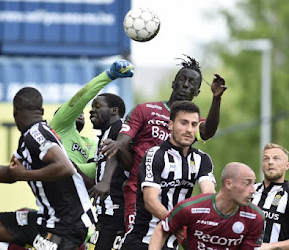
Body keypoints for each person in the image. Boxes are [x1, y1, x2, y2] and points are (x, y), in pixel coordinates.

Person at [100, 55, 227, 231]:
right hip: (138, 191)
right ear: (173, 83)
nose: (185, 84)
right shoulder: (144, 110)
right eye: (182, 79)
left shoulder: (192, 123)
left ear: (197, 91)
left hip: (173, 198)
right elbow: (120, 145)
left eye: (192, 82)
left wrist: (216, 98)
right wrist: (105, 180)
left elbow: (207, 131)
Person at [0, 87, 97, 249]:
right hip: (46, 220)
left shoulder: (36, 134)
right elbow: (10, 173)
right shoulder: (28, 137)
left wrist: (25, 174)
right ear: (42, 111)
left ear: (15, 112)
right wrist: (21, 174)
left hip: (67, 226)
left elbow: (64, 167)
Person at [120, 100, 217, 250]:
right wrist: (179, 226)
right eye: (183, 123)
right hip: (142, 241)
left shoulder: (202, 159)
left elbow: (209, 196)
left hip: (171, 244)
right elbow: (151, 201)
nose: (189, 129)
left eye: (193, 124)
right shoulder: (155, 154)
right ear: (170, 125)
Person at [49, 59, 134, 186]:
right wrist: (108, 76)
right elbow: (80, 99)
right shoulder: (58, 127)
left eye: (83, 111)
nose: (85, 112)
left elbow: (97, 170)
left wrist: (63, 166)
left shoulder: (93, 142)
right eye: (77, 110)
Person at [149, 162, 265, 250]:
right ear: (228, 184)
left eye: (253, 184)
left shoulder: (255, 217)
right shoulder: (190, 208)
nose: (253, 190)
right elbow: (161, 230)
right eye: (247, 183)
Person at [88, 93, 127, 250]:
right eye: (91, 108)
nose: (91, 111)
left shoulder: (120, 130)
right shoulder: (106, 134)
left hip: (116, 214)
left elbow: (130, 163)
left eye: (97, 106)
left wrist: (105, 182)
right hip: (105, 214)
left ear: (114, 110)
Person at [252, 143, 289, 249]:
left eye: (276, 158)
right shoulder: (250, 190)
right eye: (266, 159)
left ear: (287, 165)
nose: (270, 162)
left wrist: (271, 246)